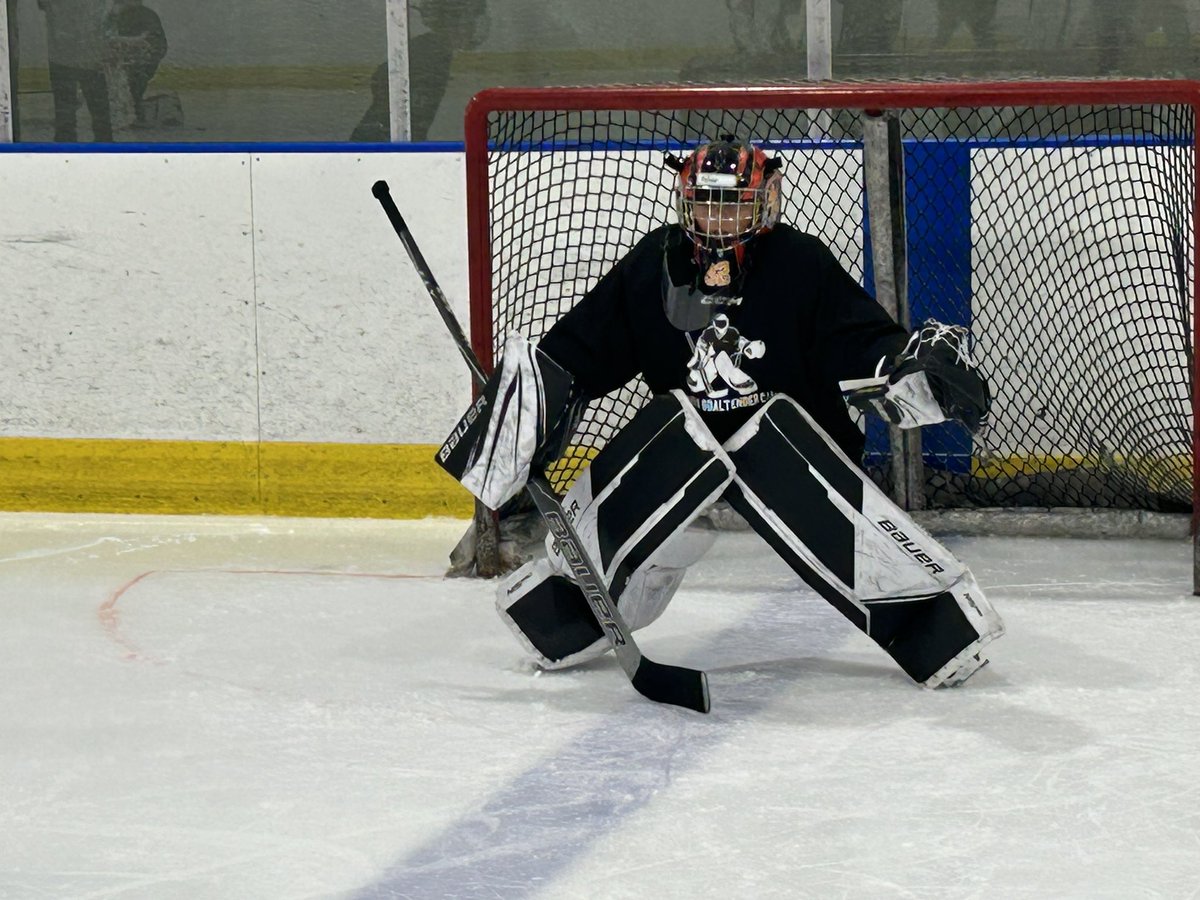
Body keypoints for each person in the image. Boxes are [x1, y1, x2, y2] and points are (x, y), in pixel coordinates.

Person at [438, 138, 1003, 690]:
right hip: (690, 451)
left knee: (772, 437)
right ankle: (568, 611)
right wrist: (523, 409)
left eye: (733, 203)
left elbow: (863, 340)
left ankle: (933, 620)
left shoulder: (799, 264)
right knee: (667, 430)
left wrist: (908, 368)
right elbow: (580, 353)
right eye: (706, 202)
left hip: (793, 451)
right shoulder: (653, 265)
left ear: (766, 201)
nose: (718, 217)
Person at [38, 0, 112, 141]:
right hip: (88, 54)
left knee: (65, 108)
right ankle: (104, 143)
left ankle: (66, 145)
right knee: (98, 108)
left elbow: (43, 5)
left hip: (63, 54)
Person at [105, 0, 166, 126]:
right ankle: (129, 109)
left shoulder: (146, 15)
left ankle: (132, 109)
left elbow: (156, 45)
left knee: (134, 85)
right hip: (129, 59)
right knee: (126, 86)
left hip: (142, 61)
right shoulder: (114, 16)